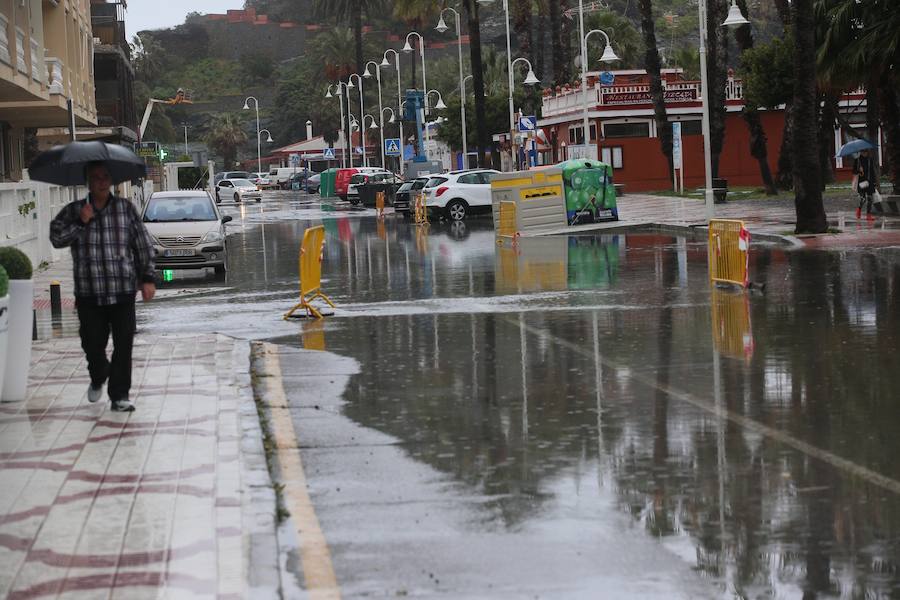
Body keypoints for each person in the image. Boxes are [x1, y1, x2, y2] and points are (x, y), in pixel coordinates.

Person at [50, 161, 156, 412]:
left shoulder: (125, 209)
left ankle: (119, 395)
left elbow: (142, 245)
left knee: (124, 343)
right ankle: (99, 375)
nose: (101, 181)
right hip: (89, 293)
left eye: (105, 176)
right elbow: (56, 238)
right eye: (95, 177)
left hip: (122, 290)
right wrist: (80, 222)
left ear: (111, 180)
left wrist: (148, 278)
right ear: (87, 180)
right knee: (92, 343)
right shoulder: (75, 210)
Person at [853, 149, 875, 220]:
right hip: (861, 182)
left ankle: (868, 215)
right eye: (863, 152)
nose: (865, 153)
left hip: (869, 181)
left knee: (870, 198)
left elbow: (872, 171)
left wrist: (874, 182)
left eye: (866, 152)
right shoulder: (857, 160)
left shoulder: (869, 160)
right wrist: (859, 170)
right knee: (863, 198)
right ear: (861, 152)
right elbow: (854, 171)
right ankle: (859, 210)